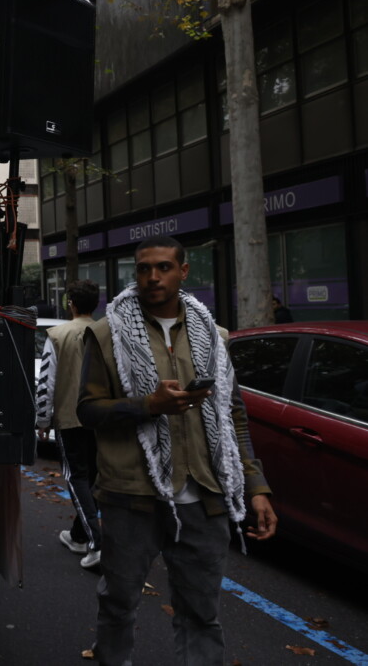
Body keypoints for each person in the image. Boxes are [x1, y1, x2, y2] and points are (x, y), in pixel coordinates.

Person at [78, 236, 276, 666]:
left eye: (164, 267)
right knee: (118, 603)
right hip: (131, 496)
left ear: (183, 271)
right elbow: (88, 410)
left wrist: (256, 486)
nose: (153, 277)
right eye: (144, 268)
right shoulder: (105, 333)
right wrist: (148, 406)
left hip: (205, 494)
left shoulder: (214, 334)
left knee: (202, 613)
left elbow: (233, 416)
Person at [35, 279, 101, 569]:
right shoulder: (107, 332)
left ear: (70, 303)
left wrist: (42, 418)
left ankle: (96, 542)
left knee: (76, 478)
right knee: (94, 478)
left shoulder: (58, 334)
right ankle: (77, 536)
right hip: (103, 417)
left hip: (70, 416)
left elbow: (46, 382)